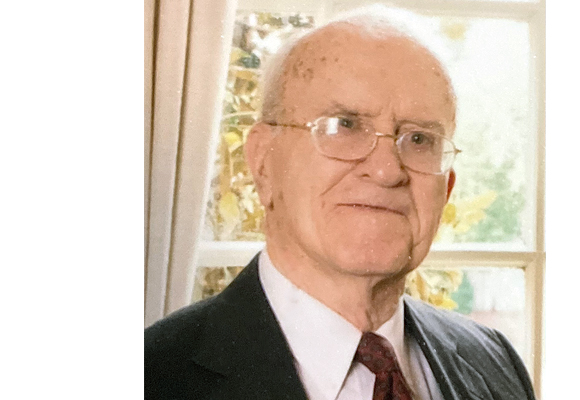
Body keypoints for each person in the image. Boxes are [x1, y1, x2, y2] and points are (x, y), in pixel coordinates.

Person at [145, 5, 536, 400]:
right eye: (344, 126)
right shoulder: (150, 376)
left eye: (419, 139)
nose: (386, 170)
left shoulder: (496, 363)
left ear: (446, 187)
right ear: (263, 163)